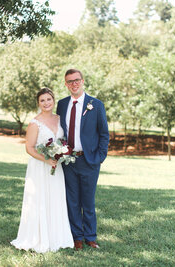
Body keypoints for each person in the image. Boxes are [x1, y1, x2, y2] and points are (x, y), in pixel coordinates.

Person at [11, 88, 74, 253]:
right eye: (42, 100)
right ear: (38, 103)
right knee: (40, 199)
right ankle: (37, 237)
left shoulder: (61, 119)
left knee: (55, 198)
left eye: (49, 99)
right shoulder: (34, 123)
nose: (46, 103)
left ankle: (56, 236)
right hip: (40, 167)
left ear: (53, 100)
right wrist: (47, 159)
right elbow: (29, 148)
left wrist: (61, 154)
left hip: (56, 166)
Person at [56, 69, 109, 250]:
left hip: (89, 160)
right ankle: (76, 237)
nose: (74, 84)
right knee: (72, 200)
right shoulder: (62, 105)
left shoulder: (95, 104)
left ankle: (90, 237)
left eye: (76, 80)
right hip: (69, 161)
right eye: (70, 81)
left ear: (83, 81)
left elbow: (104, 133)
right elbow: (59, 131)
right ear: (66, 84)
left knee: (88, 201)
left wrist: (100, 157)